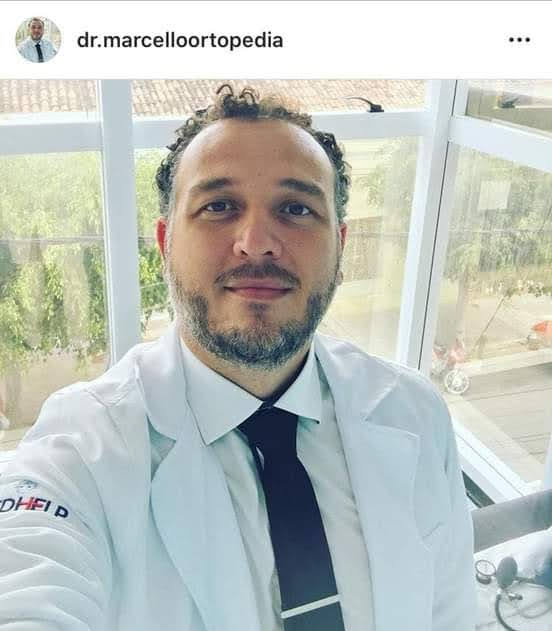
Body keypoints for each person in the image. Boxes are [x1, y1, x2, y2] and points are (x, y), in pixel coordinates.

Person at [0, 85, 476, 630]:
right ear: (165, 244)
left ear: (341, 246)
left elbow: (451, 615)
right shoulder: (81, 452)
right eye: (219, 207)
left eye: (296, 209)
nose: (256, 242)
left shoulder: (415, 412)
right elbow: (28, 582)